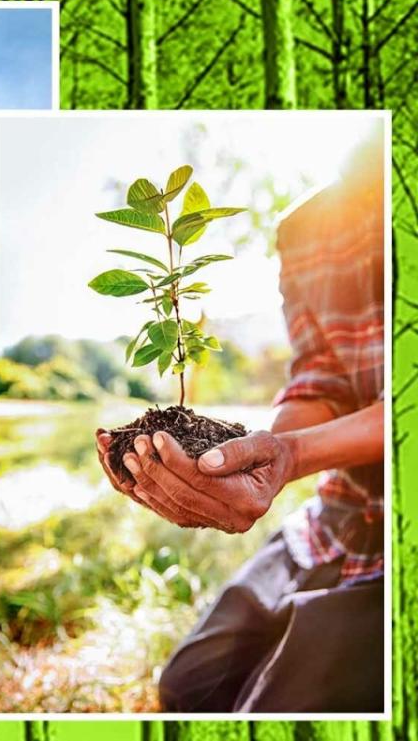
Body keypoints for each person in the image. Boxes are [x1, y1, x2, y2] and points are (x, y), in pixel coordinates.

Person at [96, 135, 385, 713]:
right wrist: (270, 454)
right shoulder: (310, 227)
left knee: (271, 712)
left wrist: (295, 455)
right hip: (341, 516)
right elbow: (321, 377)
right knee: (189, 687)